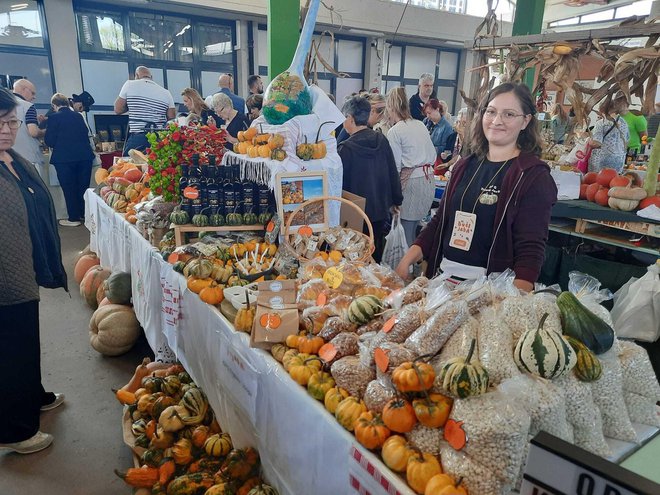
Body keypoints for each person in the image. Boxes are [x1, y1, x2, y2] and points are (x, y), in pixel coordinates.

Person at [395, 82, 557, 292]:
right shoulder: (465, 165)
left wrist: (513, 300)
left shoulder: (532, 176)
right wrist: (407, 259)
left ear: (525, 121)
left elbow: (531, 249)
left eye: (509, 114)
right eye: (491, 112)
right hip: (443, 281)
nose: (497, 121)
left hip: (490, 291)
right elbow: (440, 221)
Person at [0, 87, 67, 455]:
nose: (7, 129)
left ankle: (33, 396)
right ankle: (16, 430)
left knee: (26, 341)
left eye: (11, 122)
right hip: (3, 277)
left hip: (23, 267)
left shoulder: (12, 158)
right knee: (11, 349)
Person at [338, 96, 403, 262]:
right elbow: (392, 172)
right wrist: (396, 200)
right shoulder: (381, 140)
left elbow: (340, 185)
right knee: (375, 253)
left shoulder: (345, 149)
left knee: (355, 257)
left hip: (356, 213)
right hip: (380, 209)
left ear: (350, 119)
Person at [385, 87, 437, 247]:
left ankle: (404, 270)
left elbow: (395, 167)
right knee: (414, 231)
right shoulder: (420, 125)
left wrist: (393, 196)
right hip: (428, 181)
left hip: (411, 184)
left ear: (391, 108)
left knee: (405, 233)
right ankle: (413, 267)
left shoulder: (395, 131)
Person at [44, 93, 95, 227]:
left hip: (64, 158)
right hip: (84, 157)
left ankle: (73, 218)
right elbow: (85, 134)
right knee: (83, 187)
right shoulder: (78, 116)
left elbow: (49, 141)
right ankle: (84, 214)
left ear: (54, 105)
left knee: (69, 188)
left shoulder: (53, 118)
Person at [115, 66, 176, 156]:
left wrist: (133, 105)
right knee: (159, 167)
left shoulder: (129, 85)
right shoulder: (166, 92)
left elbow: (118, 109)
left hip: (138, 137)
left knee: (131, 165)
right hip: (159, 137)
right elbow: (171, 116)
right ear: (151, 77)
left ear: (136, 75)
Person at [11, 79, 45, 176]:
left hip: (8, 159)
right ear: (23, 89)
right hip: (29, 159)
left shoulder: (4, 105)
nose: (34, 97)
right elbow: (33, 132)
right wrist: (44, 131)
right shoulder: (27, 106)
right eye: (32, 93)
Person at [588, 99, 629, 174]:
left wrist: (588, 141)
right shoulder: (624, 122)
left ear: (602, 109)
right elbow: (627, 140)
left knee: (599, 183)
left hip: (602, 161)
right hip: (619, 160)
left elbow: (596, 143)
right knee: (614, 183)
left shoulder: (601, 123)